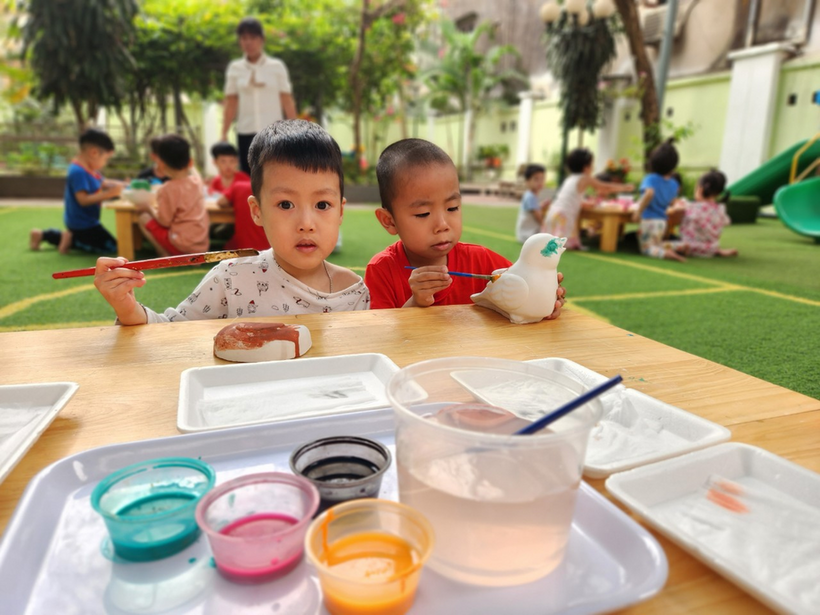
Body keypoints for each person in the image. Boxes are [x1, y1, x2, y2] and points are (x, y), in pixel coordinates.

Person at [94, 119, 369, 325]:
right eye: (286, 204)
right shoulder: (231, 277)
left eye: (322, 205)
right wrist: (126, 306)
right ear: (257, 211)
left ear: (340, 211)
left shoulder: (355, 293)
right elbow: (170, 330)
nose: (306, 224)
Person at [365, 138, 565, 314]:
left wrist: (543, 298)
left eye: (452, 208)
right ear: (389, 221)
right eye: (423, 213)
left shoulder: (482, 261)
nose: (442, 225)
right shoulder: (381, 270)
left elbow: (522, 288)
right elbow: (382, 336)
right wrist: (416, 303)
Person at [30, 128, 124, 255]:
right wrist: (110, 194)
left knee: (109, 244)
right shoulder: (78, 172)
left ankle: (44, 235)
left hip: (89, 222)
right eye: (106, 159)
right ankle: (69, 238)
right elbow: (83, 200)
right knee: (111, 247)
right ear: (94, 153)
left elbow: (104, 182)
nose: (105, 163)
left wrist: (124, 185)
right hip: (82, 224)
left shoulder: (90, 170)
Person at [221, 17, 297, 174]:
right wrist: (224, 133)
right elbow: (231, 102)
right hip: (245, 132)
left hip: (275, 133)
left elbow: (286, 100)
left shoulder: (277, 67)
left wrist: (296, 130)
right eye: (244, 38)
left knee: (275, 175)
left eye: (253, 37)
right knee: (249, 176)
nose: (248, 42)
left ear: (262, 39)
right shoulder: (235, 68)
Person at [133, 134, 209, 258]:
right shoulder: (196, 181)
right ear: (190, 162)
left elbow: (164, 222)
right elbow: (194, 171)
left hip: (180, 246)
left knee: (143, 217)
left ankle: (164, 253)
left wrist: (149, 208)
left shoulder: (167, 189)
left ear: (161, 164)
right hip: (200, 247)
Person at [543, 148, 633, 250]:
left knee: (553, 241)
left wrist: (585, 203)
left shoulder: (570, 178)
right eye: (591, 165)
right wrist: (624, 187)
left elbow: (571, 198)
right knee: (561, 244)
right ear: (586, 167)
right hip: (564, 214)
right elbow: (605, 187)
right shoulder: (585, 178)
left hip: (554, 211)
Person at [632, 139, 689, 262]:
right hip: (662, 222)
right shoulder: (674, 184)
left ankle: (667, 254)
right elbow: (672, 201)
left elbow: (649, 193)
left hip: (648, 220)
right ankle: (680, 246)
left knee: (646, 249)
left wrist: (638, 212)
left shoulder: (650, 178)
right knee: (656, 243)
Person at [680, 170, 738, 257]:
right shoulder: (720, 208)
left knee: (666, 242)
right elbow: (727, 221)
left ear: (700, 189)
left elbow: (683, 217)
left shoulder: (693, 207)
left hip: (689, 247)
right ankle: (718, 250)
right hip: (711, 249)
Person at [215, 179, 270, 252]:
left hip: (243, 250)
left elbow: (221, 202)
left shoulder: (239, 186)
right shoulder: (270, 188)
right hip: (269, 249)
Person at [515, 164, 550, 243]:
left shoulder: (531, 195)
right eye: (536, 179)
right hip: (528, 235)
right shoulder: (530, 196)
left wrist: (541, 205)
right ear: (527, 182)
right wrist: (545, 226)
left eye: (542, 179)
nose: (540, 182)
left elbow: (534, 209)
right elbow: (537, 215)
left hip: (526, 233)